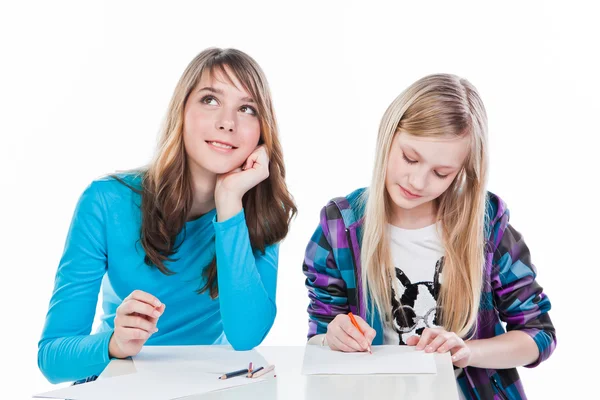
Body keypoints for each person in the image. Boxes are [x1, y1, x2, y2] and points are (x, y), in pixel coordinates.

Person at [38, 47, 296, 384]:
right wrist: (115, 343)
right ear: (182, 112)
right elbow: (52, 358)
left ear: (262, 132)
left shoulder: (261, 211)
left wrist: (230, 200)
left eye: (246, 109)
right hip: (120, 383)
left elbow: (246, 336)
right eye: (210, 100)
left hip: (208, 386)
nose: (227, 123)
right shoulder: (105, 201)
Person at [303, 74, 555, 399]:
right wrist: (330, 337)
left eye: (441, 173)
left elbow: (538, 334)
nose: (418, 182)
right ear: (388, 135)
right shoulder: (340, 226)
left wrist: (468, 351)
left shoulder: (486, 223)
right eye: (410, 158)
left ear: (462, 171)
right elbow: (318, 338)